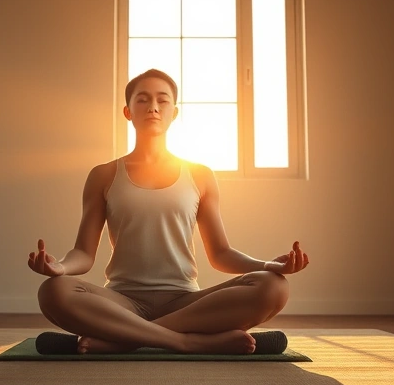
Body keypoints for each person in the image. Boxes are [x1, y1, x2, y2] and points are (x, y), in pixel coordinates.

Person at [28, 68, 310, 355]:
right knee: (53, 291)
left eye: (162, 100)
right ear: (127, 111)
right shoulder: (103, 175)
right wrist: (60, 267)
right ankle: (186, 342)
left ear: (173, 113)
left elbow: (221, 254)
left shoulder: (200, 175)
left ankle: (126, 338)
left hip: (185, 304)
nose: (153, 107)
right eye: (143, 100)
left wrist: (267, 265)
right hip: (121, 302)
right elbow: (84, 253)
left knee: (274, 287)